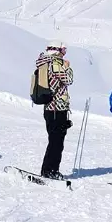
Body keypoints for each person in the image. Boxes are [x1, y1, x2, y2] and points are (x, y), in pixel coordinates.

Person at [35, 40, 73, 179]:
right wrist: (68, 67)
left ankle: (48, 169)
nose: (64, 54)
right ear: (58, 50)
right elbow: (68, 79)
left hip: (48, 107)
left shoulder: (43, 62)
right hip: (58, 107)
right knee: (57, 141)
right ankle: (50, 170)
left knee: (53, 139)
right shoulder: (55, 63)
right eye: (64, 50)